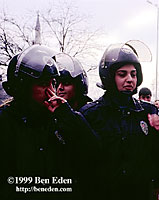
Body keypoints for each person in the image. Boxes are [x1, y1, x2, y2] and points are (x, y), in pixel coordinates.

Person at [0, 45, 98, 200]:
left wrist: (68, 116)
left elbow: (93, 156)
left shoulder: (60, 118)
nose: (51, 91)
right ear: (23, 87)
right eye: (44, 83)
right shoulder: (5, 122)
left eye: (53, 82)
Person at [79, 40, 159, 200]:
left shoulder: (147, 112)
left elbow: (157, 154)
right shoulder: (91, 113)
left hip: (139, 193)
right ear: (109, 76)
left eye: (133, 74)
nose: (129, 79)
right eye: (122, 74)